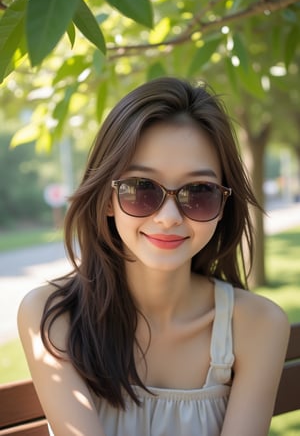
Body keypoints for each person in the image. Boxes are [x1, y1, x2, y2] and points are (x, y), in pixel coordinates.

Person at [18, 77, 290, 436]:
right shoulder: (52, 318)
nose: (169, 217)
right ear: (108, 199)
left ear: (224, 205)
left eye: (199, 192)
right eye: (141, 188)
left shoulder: (257, 325)